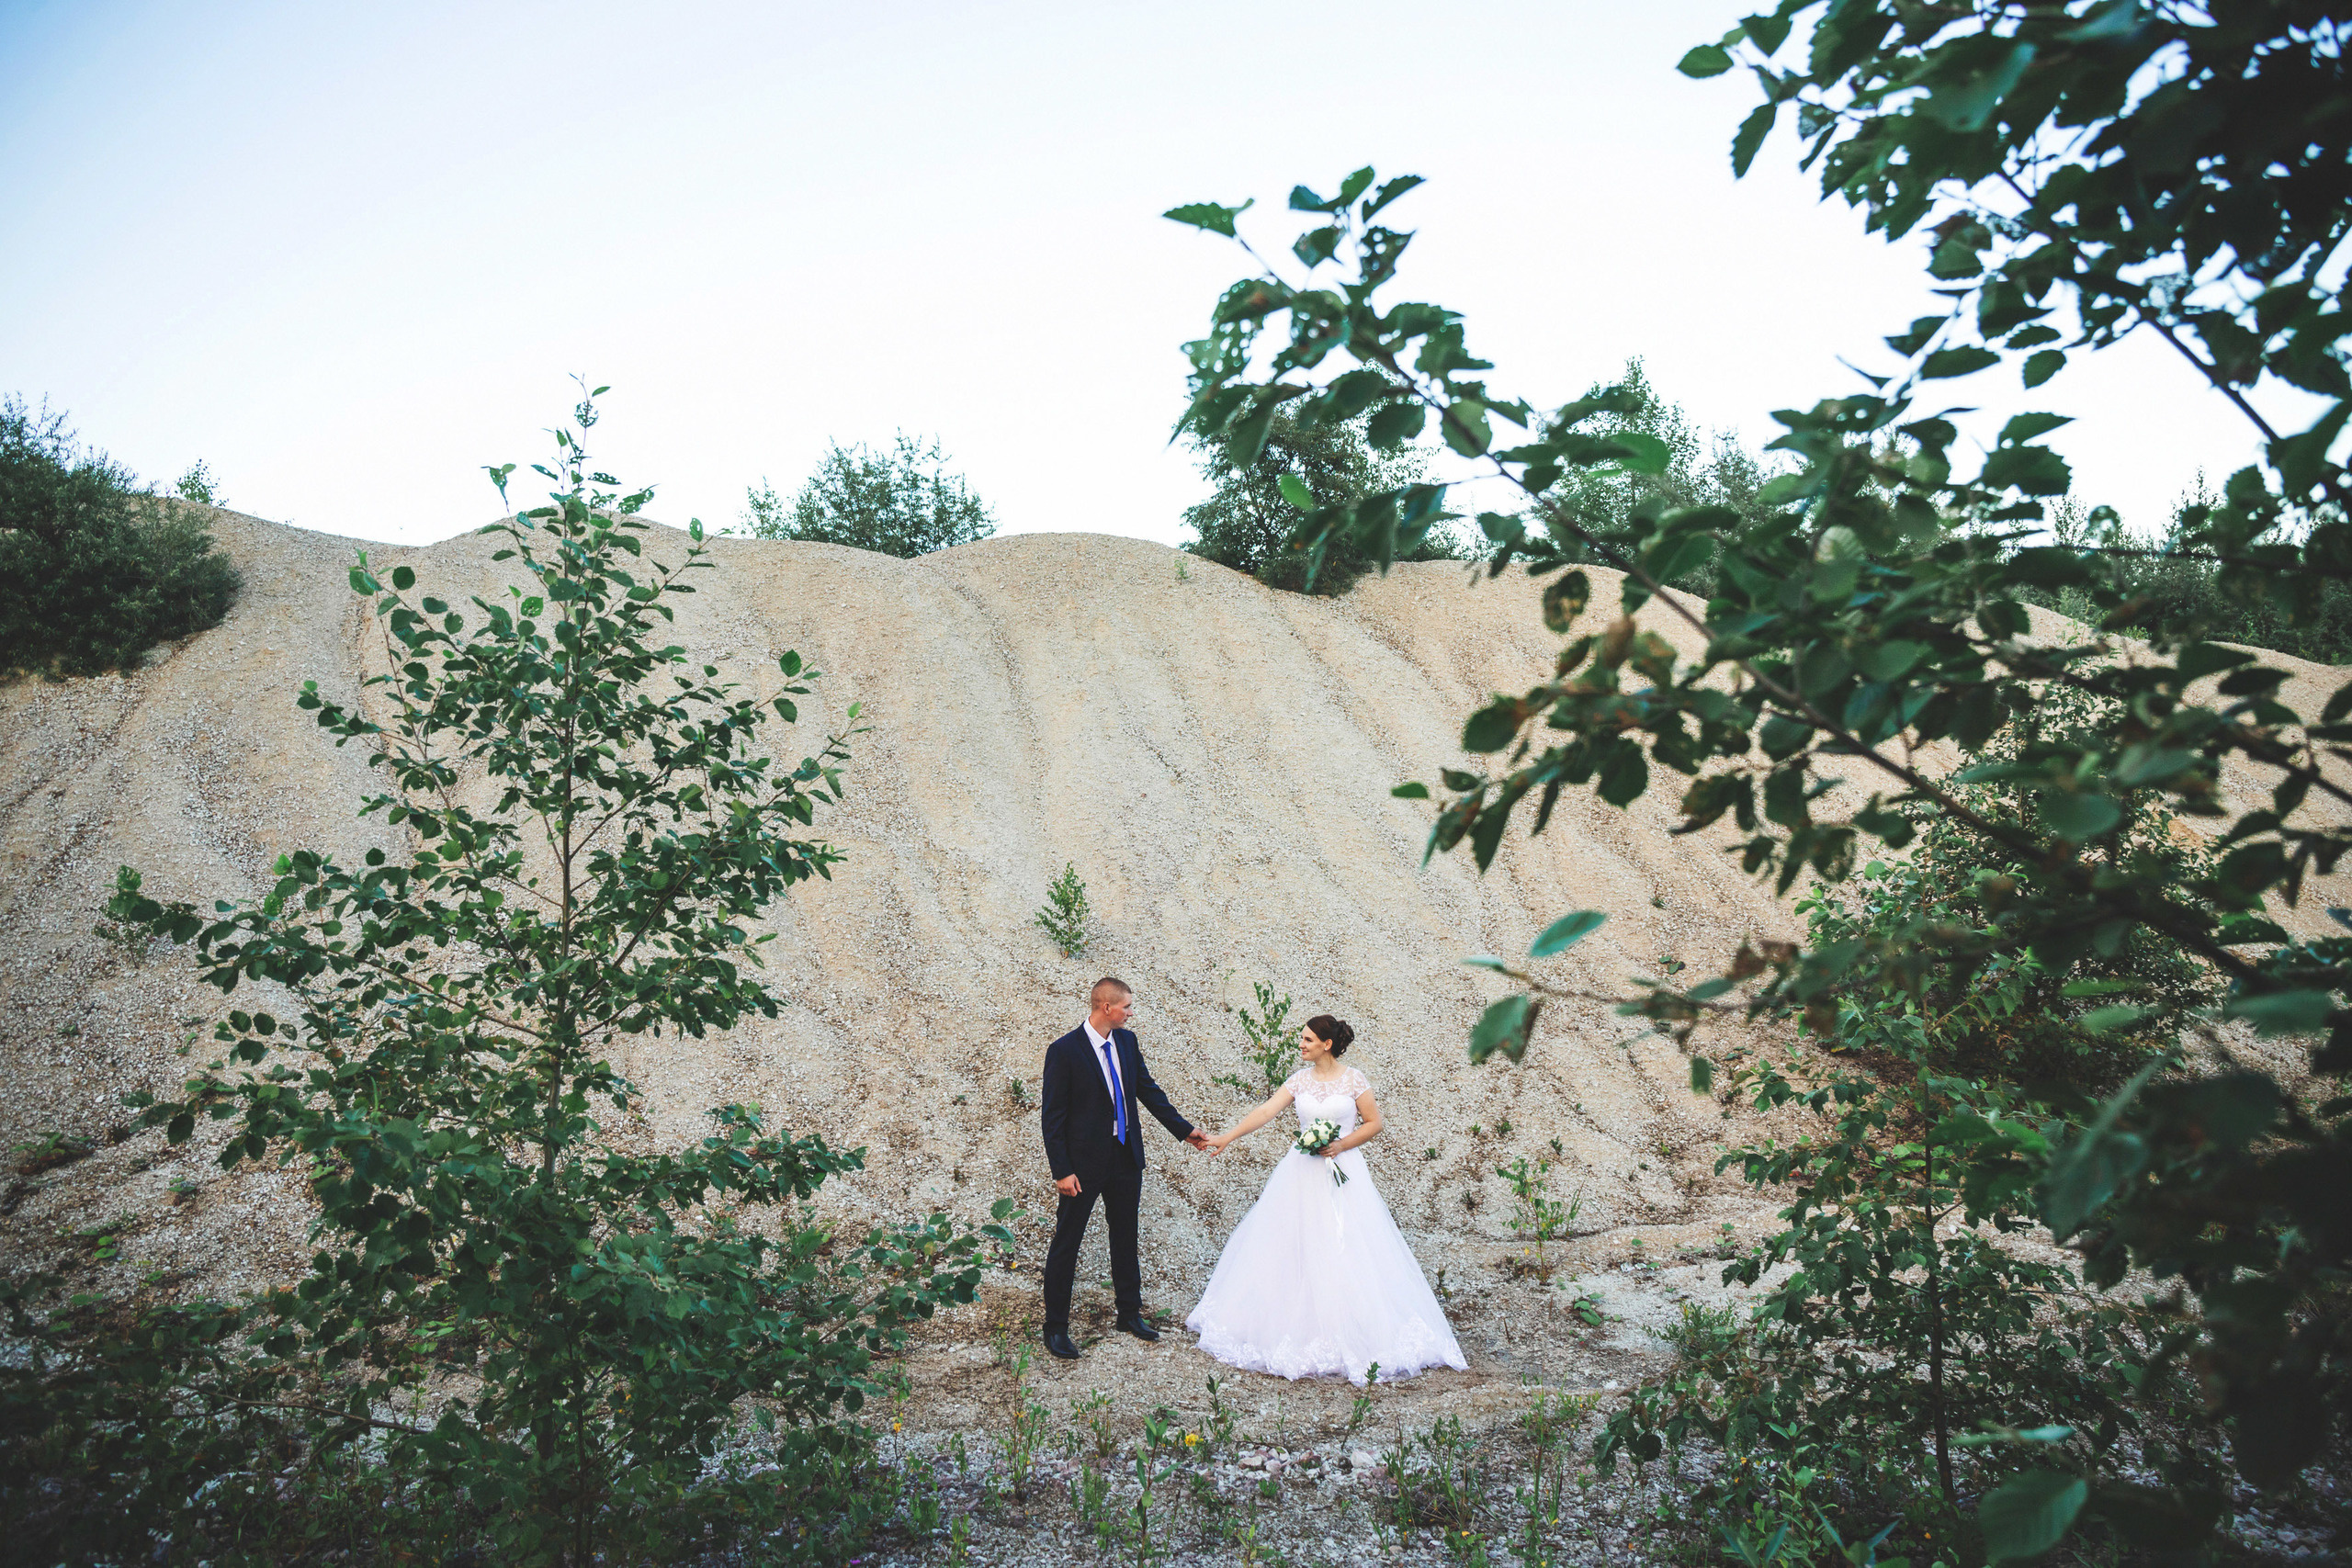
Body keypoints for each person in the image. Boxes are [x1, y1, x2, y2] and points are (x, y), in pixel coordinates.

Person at [1188, 1014, 1466, 1385]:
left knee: (1347, 1244)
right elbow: (1266, 1111)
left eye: (1306, 1040)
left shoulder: (1354, 1079)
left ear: (1326, 1044)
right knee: (1291, 1242)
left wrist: (1339, 1145)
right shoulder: (1299, 1080)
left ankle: (1353, 1327)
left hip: (1342, 1169)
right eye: (1301, 1039)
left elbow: (1373, 1123)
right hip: (1300, 1172)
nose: (1300, 1045)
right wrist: (1227, 1137)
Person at [1038, 976, 1209, 1360]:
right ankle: (1056, 1328)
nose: (1131, 1013)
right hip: (1081, 1167)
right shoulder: (1064, 1051)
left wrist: (1185, 1131)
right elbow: (1053, 1117)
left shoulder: (1127, 1043)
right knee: (1068, 1242)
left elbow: (1147, 1091)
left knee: (1125, 1236)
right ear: (1106, 1008)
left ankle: (1128, 1314)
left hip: (1125, 1157)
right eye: (1127, 1007)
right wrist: (1061, 1170)